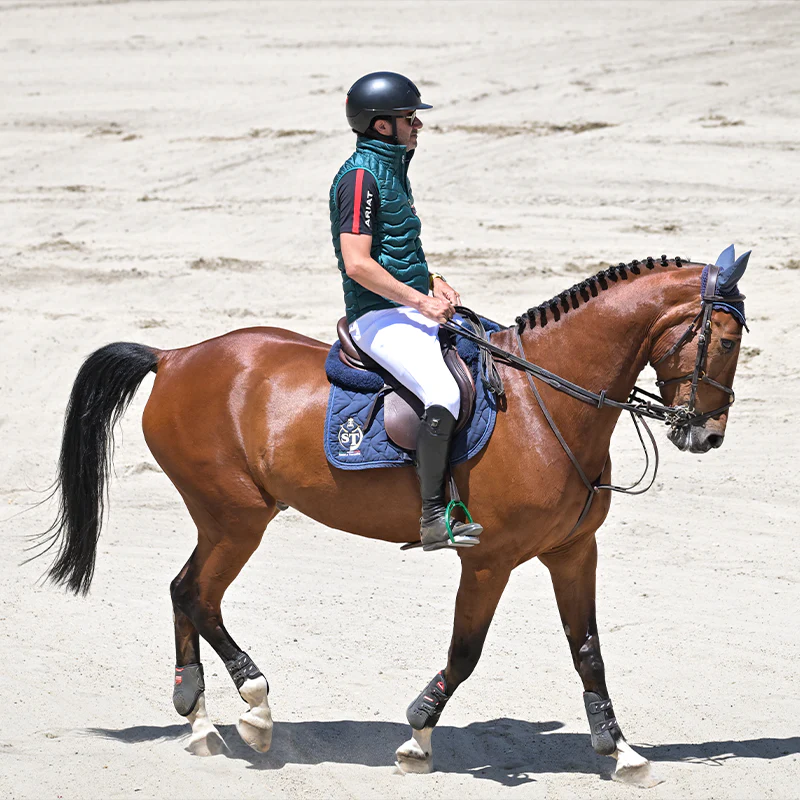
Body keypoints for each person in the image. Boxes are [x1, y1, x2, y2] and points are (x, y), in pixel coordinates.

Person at [329, 71, 483, 552]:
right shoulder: (359, 178)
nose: (418, 125)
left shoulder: (393, 169)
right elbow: (358, 263)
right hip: (378, 316)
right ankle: (433, 516)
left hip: (410, 306)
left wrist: (433, 280)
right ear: (381, 125)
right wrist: (420, 300)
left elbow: (398, 247)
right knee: (443, 392)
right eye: (409, 118)